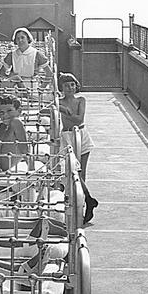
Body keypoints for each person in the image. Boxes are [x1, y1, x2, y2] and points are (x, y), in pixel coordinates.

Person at [58, 73, 98, 224]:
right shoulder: (58, 102)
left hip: (81, 135)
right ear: (61, 87)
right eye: (67, 85)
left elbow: (79, 119)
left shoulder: (81, 100)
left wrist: (65, 111)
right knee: (73, 171)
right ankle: (88, 200)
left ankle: (82, 204)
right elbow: (46, 108)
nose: (70, 88)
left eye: (72, 85)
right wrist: (61, 108)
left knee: (81, 173)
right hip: (67, 136)